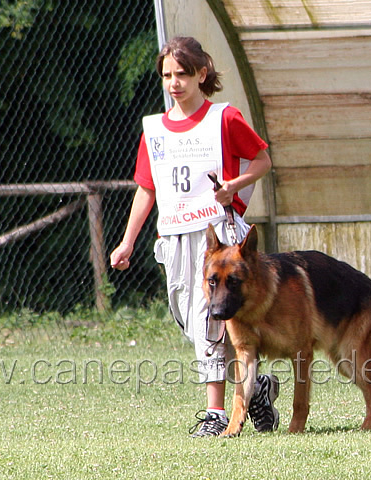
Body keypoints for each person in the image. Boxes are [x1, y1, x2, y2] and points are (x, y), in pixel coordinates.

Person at [110, 36, 279, 437]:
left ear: (202, 74)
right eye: (167, 74)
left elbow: (262, 159)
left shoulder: (224, 118)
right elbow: (147, 188)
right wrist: (128, 240)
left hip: (217, 238)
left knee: (211, 320)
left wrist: (233, 185)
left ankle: (215, 413)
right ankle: (257, 391)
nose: (174, 82)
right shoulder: (154, 129)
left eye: (182, 73)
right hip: (174, 239)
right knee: (190, 318)